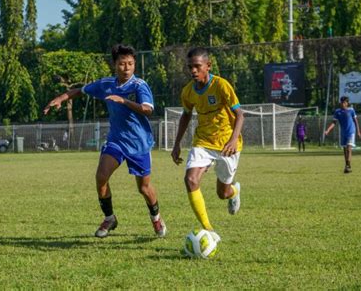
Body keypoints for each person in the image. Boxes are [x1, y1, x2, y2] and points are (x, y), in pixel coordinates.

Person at [44, 44, 166, 238]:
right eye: (122, 64)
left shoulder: (139, 86)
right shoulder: (106, 84)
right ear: (114, 65)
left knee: (143, 187)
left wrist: (124, 101)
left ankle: (156, 218)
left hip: (139, 143)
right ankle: (109, 218)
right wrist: (61, 97)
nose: (126, 68)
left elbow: (148, 109)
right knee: (101, 176)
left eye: (130, 64)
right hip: (116, 141)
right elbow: (80, 90)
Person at [171, 47, 244, 242]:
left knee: (223, 193)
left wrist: (232, 140)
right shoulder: (188, 92)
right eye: (190, 67)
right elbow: (186, 115)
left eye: (197, 66)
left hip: (227, 145)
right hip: (202, 142)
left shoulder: (221, 85)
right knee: (191, 180)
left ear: (208, 66)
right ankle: (208, 229)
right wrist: (177, 144)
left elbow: (240, 115)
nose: (193, 71)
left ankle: (235, 191)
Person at [324, 96, 361, 173]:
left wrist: (358, 131)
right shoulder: (337, 112)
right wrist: (328, 130)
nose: (342, 104)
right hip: (343, 133)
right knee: (345, 150)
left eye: (344, 102)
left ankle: (347, 166)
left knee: (349, 148)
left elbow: (356, 121)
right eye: (341, 102)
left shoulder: (351, 110)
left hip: (351, 132)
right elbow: (334, 123)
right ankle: (347, 165)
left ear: (347, 103)